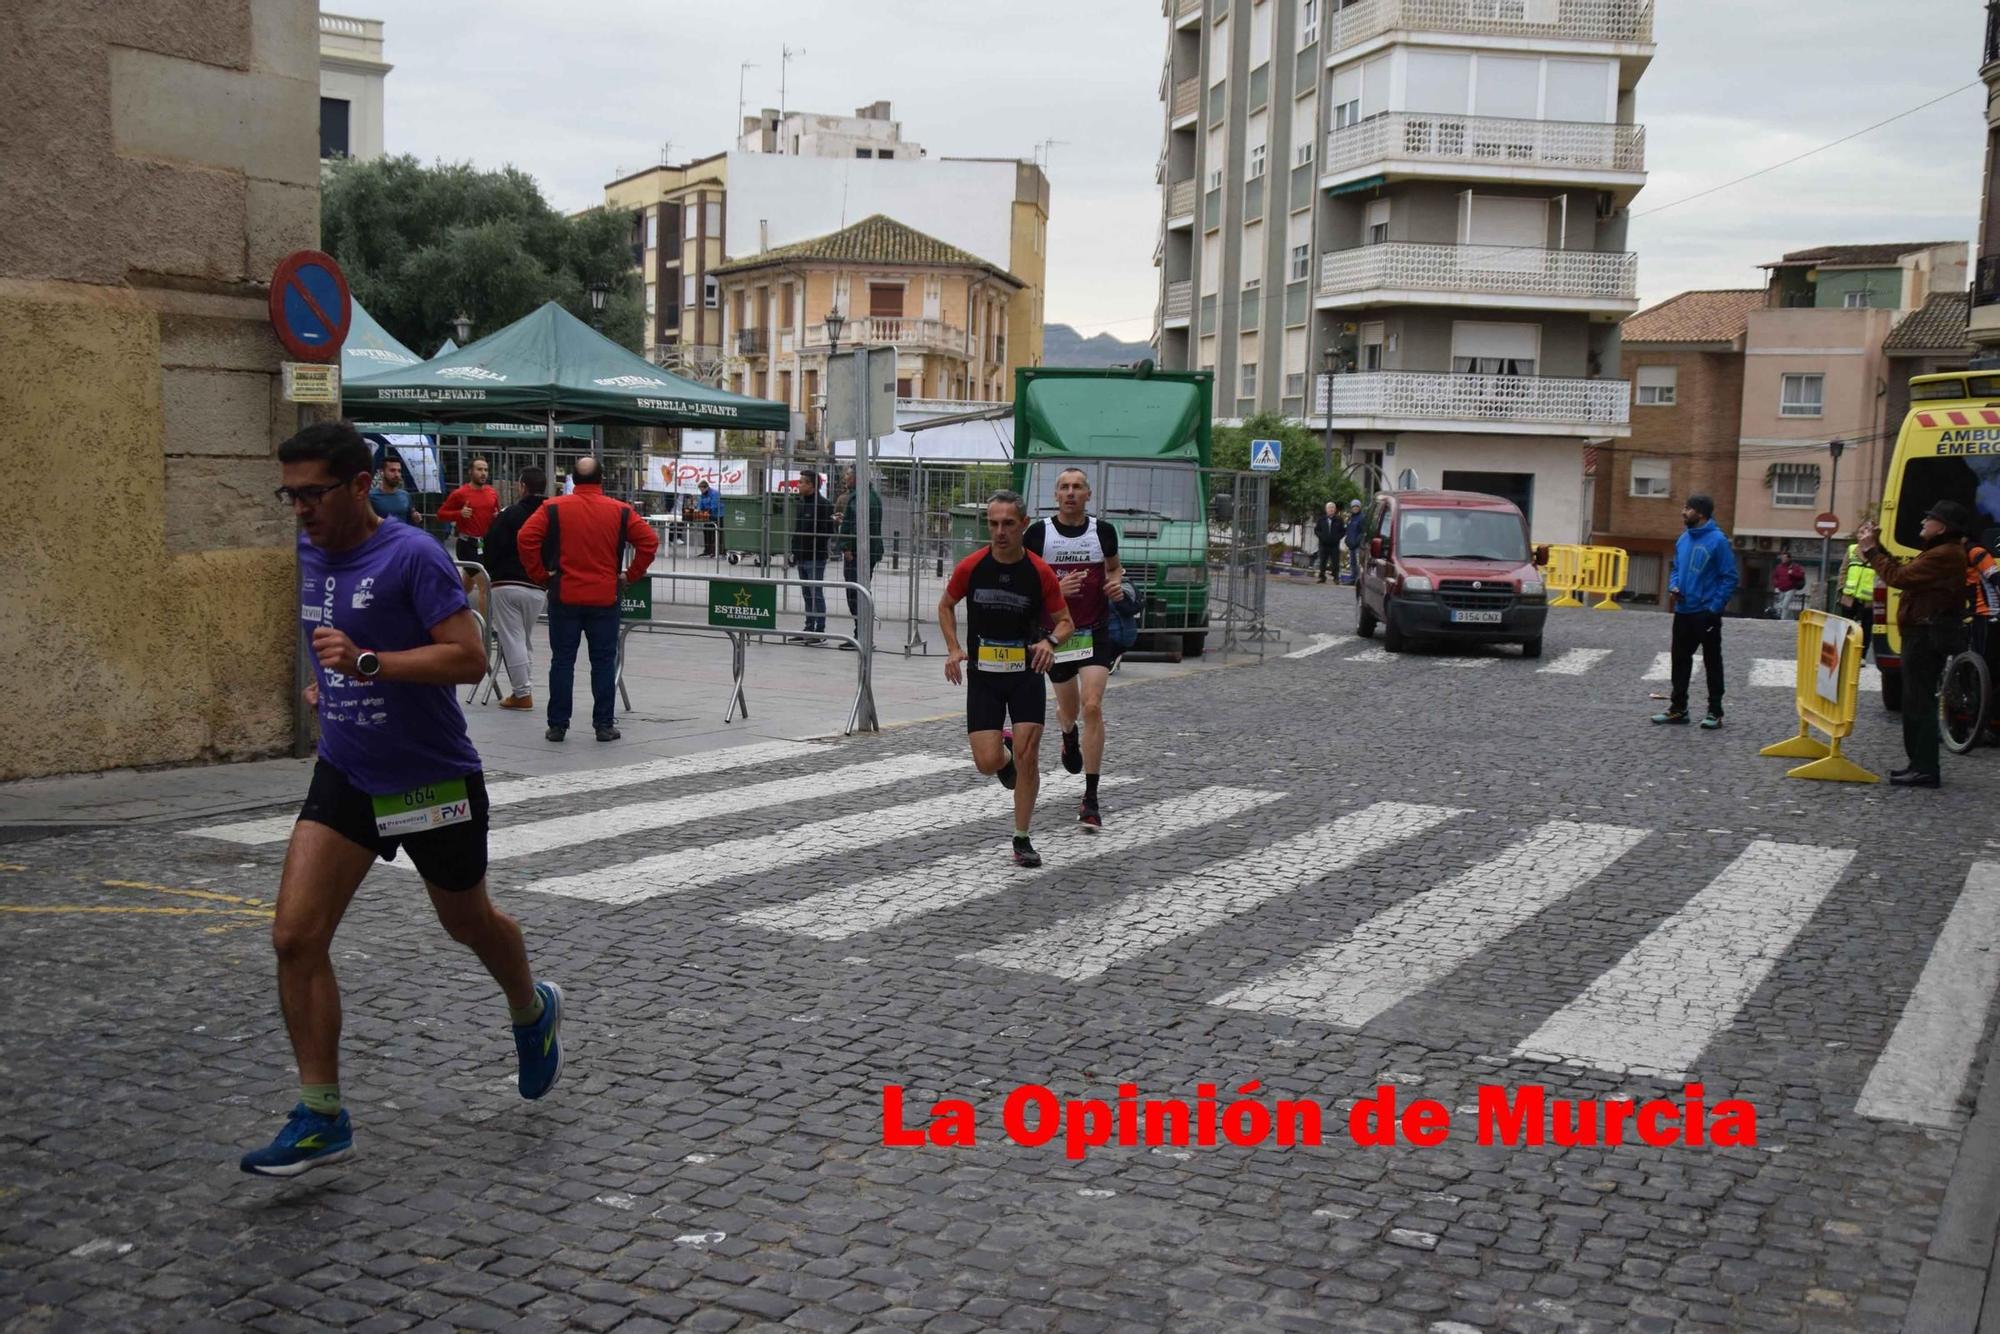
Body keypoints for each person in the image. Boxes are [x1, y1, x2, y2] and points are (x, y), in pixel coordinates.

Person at [243, 422, 562, 1178]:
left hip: (431, 777)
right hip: (348, 772)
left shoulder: (412, 554)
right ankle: (323, 1115)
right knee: (294, 936)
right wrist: (332, 682)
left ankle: (531, 1005)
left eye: (313, 493)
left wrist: (368, 662)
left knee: (466, 921)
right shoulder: (309, 548)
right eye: (289, 495)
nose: (301, 510)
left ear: (361, 484)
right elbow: (331, 634)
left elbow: (467, 656)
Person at [939, 490, 1074, 868]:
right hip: (984, 676)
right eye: (993, 523)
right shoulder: (972, 566)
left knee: (1029, 759)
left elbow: (1066, 622)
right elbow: (946, 605)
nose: (1000, 531)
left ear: (1023, 525)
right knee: (986, 762)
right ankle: (1005, 752)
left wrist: (1050, 642)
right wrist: (953, 648)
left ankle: (1022, 837)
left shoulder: (1039, 572)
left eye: (1008, 524)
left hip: (1026, 673)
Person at [518, 457, 659, 743]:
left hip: (565, 595)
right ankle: (603, 724)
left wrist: (541, 575)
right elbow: (649, 542)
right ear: (601, 480)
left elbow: (525, 538)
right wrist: (629, 576)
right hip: (605, 597)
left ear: (573, 479)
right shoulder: (621, 511)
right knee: (604, 661)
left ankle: (558, 725)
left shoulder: (553, 508)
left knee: (562, 661)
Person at [1024, 467, 1123, 830]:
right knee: (1068, 712)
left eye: (1077, 487)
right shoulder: (1039, 534)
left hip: (1095, 632)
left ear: (1088, 494)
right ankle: (1068, 736)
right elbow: (1027, 582)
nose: (1070, 493)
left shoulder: (1103, 532)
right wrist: (1054, 593)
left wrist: (1115, 586)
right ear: (1055, 496)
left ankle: (1091, 798)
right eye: (1064, 487)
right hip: (1058, 637)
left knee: (1092, 706)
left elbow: (1114, 569)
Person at [1857, 500, 1972, 788]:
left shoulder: (1944, 554)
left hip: (1925, 634)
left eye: (1929, 520)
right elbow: (1901, 571)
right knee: (1914, 700)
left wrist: (1871, 551)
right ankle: (1918, 764)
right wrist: (1878, 547)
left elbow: (1898, 577)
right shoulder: (1940, 551)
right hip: (1921, 630)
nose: (1923, 523)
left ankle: (1925, 769)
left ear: (1942, 527)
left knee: (1919, 701)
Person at [1652, 493, 1738, 730]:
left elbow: (1729, 577)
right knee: (1679, 660)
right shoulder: (1683, 540)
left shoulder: (1718, 541)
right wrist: (1674, 586)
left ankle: (1715, 711)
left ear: (1700, 513)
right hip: (1683, 610)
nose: (1683, 511)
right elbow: (1677, 569)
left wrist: (1715, 608)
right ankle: (1678, 709)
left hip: (1706, 613)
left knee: (1712, 662)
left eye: (1687, 508)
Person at [482, 467, 548, 712]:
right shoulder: (550, 513)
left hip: (507, 582)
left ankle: (522, 693)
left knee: (512, 638)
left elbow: (491, 544)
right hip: (538, 586)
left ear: (522, 487)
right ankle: (523, 686)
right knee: (523, 638)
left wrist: (492, 568)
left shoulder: (510, 514)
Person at [438, 457, 502, 615]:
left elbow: (496, 512)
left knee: (464, 587)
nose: (483, 473)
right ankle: (488, 631)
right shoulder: (460, 493)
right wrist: (459, 513)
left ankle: (444, 611)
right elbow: (441, 514)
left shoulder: (491, 492)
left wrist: (496, 516)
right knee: (485, 585)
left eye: (486, 470)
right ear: (470, 472)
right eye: (479, 469)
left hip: (485, 545)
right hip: (467, 544)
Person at [832, 473, 884, 651]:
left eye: (847, 475)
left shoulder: (861, 498)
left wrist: (846, 547)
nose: (845, 478)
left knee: (856, 594)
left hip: (858, 553)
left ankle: (862, 635)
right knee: (860, 593)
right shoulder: (870, 496)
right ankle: (861, 634)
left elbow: (856, 526)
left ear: (856, 477)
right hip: (866, 551)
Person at [788, 471, 834, 642]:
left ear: (811, 486)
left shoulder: (823, 505)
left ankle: (820, 631)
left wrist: (814, 545)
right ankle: (809, 627)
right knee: (807, 593)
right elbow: (798, 529)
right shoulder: (802, 504)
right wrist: (794, 550)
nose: (798, 485)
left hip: (815, 556)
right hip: (802, 555)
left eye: (801, 482)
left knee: (816, 593)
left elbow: (828, 531)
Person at [368, 455, 420, 526]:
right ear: (381, 472)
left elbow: (411, 516)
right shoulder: (371, 497)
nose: (397, 475)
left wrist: (415, 517)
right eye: (392, 470)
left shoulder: (405, 495)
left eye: (399, 471)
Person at [1770, 551, 1806, 619]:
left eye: (1785, 557)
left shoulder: (1795, 567)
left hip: (1791, 588)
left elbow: (1801, 575)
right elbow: (1775, 576)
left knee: (1785, 605)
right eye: (1782, 557)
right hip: (1781, 588)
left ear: (1789, 558)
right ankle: (1792, 619)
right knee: (1783, 605)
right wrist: (1776, 583)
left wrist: (1792, 573)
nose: (1783, 559)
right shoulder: (1778, 567)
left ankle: (1782, 619)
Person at [1313, 502, 1343, 584]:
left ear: (1335, 509)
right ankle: (1322, 577)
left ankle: (1336, 578)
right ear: (1326, 509)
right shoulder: (1321, 519)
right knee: (1323, 561)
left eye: (1333, 508)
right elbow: (1316, 530)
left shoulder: (1339, 520)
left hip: (1334, 545)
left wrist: (1337, 538)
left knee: (1335, 562)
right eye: (1329, 508)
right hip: (1323, 544)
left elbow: (1343, 531)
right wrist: (1321, 536)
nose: (1331, 509)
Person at [694, 480, 724, 557]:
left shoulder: (715, 493)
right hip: (708, 516)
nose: (701, 491)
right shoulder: (703, 494)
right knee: (706, 531)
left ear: (707, 487)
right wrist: (698, 510)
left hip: (718, 515)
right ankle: (707, 550)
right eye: (700, 490)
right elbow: (700, 504)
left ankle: (717, 551)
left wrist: (706, 512)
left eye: (702, 489)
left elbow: (714, 506)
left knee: (716, 533)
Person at [1343, 499, 1367, 585]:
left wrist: (1357, 542)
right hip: (1351, 545)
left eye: (1357, 506)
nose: (1355, 508)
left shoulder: (1362, 518)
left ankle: (1358, 580)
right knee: (1352, 563)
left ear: (1359, 507)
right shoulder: (1350, 518)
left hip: (1357, 545)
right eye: (1354, 506)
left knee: (1358, 563)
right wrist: (1347, 540)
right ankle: (1353, 578)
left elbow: (1363, 532)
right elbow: (1348, 530)